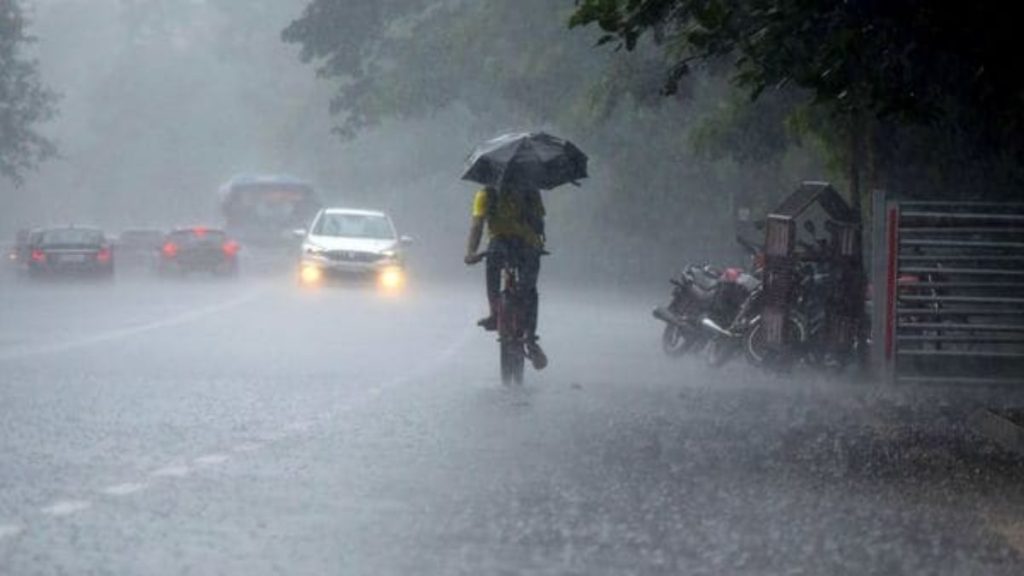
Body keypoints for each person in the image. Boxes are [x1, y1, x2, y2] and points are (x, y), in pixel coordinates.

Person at [464, 183, 548, 370]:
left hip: (501, 245)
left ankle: (495, 312)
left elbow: (477, 225)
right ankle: (530, 337)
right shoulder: (531, 191)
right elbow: (540, 223)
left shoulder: (486, 194)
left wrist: (471, 252)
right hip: (526, 245)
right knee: (529, 288)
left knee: (493, 266)